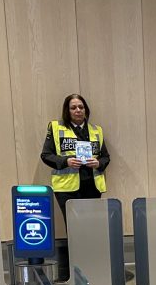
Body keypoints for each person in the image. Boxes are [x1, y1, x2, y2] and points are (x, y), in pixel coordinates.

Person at [40, 93, 110, 222]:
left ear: (86, 109)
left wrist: (98, 163)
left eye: (81, 107)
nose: (78, 110)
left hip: (92, 187)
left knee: (91, 224)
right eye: (73, 108)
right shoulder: (56, 128)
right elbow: (46, 155)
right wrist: (66, 161)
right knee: (73, 225)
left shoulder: (96, 130)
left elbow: (105, 157)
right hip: (67, 188)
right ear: (67, 111)